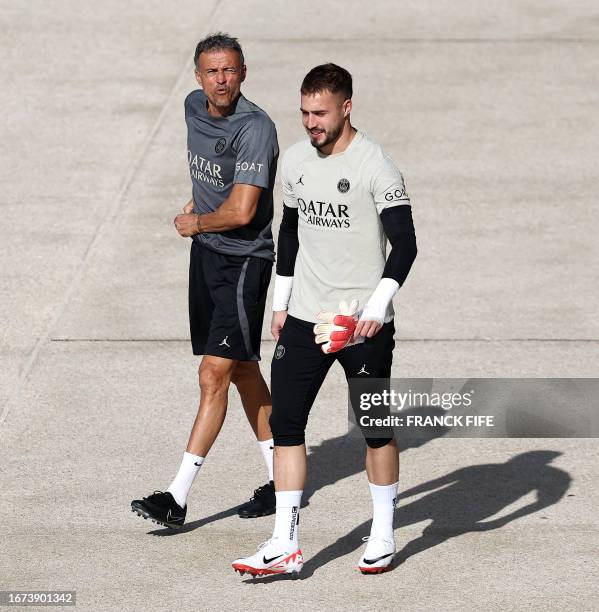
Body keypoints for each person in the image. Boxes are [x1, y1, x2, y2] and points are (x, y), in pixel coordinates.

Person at [232, 63, 417, 576]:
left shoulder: (376, 165)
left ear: (346, 108)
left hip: (362, 325)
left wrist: (376, 309)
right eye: (305, 113)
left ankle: (383, 531)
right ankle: (283, 543)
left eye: (320, 113)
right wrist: (281, 301)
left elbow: (406, 244)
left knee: (375, 429)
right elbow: (288, 233)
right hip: (305, 319)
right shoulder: (293, 162)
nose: (310, 123)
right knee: (286, 424)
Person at [131, 33, 279, 528]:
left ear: (244, 72)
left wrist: (195, 221)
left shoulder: (255, 127)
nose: (221, 80)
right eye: (212, 72)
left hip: (243, 262)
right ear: (198, 77)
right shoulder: (193, 106)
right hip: (207, 258)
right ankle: (284, 480)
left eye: (230, 70)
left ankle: (177, 495)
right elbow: (209, 172)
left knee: (213, 374)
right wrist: (198, 200)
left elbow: (241, 211)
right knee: (240, 371)